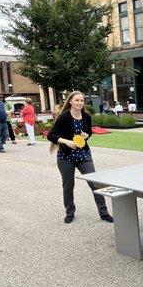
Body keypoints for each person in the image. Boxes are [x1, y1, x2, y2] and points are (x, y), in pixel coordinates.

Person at [47, 91, 113, 224]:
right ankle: (70, 212)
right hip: (66, 156)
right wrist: (66, 141)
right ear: (70, 101)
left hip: (83, 155)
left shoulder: (86, 117)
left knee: (95, 183)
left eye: (82, 100)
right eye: (77, 100)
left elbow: (89, 132)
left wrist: (86, 135)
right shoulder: (64, 117)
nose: (79, 103)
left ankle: (104, 212)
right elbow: (51, 135)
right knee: (68, 186)